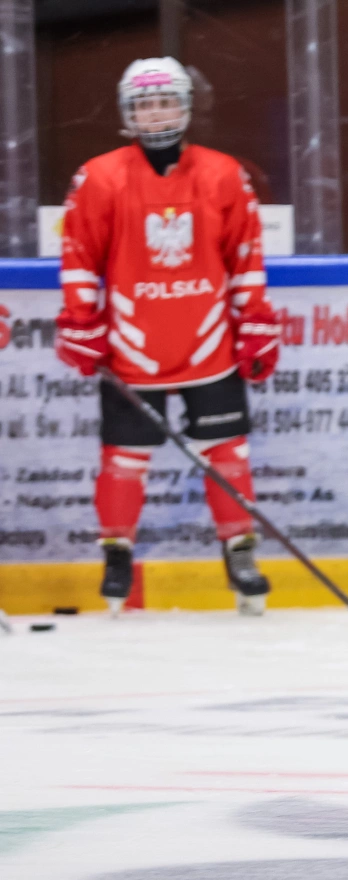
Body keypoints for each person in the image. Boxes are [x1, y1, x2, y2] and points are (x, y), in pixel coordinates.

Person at [53, 57, 282, 616]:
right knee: (124, 458)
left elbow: (245, 255)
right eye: (144, 104)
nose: (155, 113)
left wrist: (254, 320)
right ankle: (117, 553)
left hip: (210, 343)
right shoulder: (99, 177)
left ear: (185, 107)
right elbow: (79, 256)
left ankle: (239, 551)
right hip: (132, 344)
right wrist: (81, 320)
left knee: (228, 453)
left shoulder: (224, 174)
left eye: (165, 102)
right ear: (127, 113)